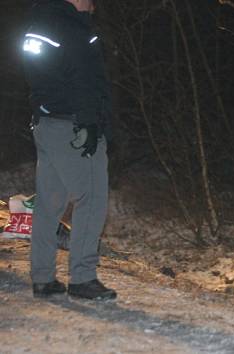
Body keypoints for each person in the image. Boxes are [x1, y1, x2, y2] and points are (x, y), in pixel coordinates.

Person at [21, 0, 115, 300]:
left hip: (46, 123)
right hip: (72, 126)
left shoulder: (39, 23)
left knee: (50, 203)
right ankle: (83, 277)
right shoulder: (70, 27)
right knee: (92, 198)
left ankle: (43, 277)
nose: (94, 3)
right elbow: (84, 80)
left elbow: (42, 76)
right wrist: (88, 122)